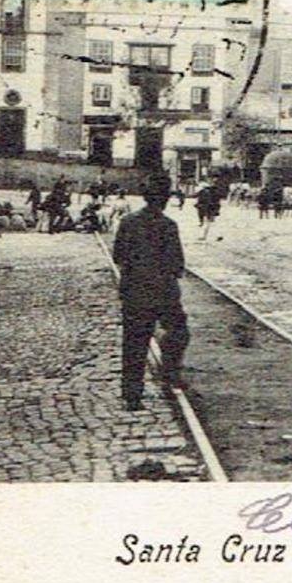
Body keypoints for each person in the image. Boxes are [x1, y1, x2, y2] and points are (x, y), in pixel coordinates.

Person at [112, 172, 189, 411]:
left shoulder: (128, 222)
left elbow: (118, 256)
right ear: (165, 199)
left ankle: (132, 395)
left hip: (134, 291)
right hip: (164, 293)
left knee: (134, 342)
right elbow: (177, 264)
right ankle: (170, 372)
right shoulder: (168, 226)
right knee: (178, 332)